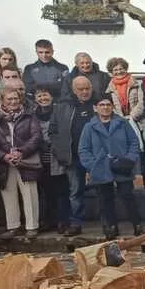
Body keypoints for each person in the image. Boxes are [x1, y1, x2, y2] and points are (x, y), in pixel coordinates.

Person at [79, 95, 142, 240]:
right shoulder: (89, 127)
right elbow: (84, 149)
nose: (105, 107)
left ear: (112, 107)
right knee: (104, 199)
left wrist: (130, 159)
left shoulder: (122, 123)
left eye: (108, 104)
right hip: (100, 167)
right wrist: (93, 165)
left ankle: (137, 224)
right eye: (101, 105)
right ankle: (111, 226)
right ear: (95, 108)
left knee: (128, 195)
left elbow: (133, 142)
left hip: (122, 164)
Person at [0, 88, 42, 240]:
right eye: (9, 99)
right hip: (4, 162)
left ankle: (32, 226)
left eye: (16, 98)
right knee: (8, 193)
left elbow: (36, 136)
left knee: (30, 193)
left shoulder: (29, 114)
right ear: (1, 100)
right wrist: (4, 155)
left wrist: (21, 152)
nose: (13, 101)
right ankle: (13, 226)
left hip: (26, 159)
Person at [50, 77, 96, 236]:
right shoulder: (63, 106)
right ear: (74, 90)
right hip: (73, 157)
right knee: (75, 192)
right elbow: (52, 131)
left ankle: (108, 224)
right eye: (81, 89)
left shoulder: (98, 104)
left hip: (95, 157)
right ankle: (76, 223)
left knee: (103, 190)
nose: (85, 92)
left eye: (87, 88)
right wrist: (59, 150)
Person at [34, 87, 68, 234]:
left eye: (45, 95)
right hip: (41, 158)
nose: (43, 98)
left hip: (58, 157)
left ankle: (63, 220)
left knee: (61, 191)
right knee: (47, 192)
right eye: (39, 96)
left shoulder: (59, 111)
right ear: (35, 99)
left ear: (52, 96)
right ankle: (49, 220)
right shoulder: (33, 114)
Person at [105, 57, 144, 122]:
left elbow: (142, 102)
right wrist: (120, 118)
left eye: (121, 69)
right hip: (119, 120)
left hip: (137, 119)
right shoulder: (109, 88)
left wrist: (131, 117)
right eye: (115, 70)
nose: (119, 72)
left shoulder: (137, 84)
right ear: (111, 72)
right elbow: (111, 106)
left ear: (125, 69)